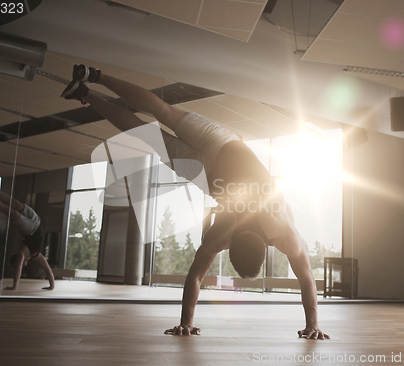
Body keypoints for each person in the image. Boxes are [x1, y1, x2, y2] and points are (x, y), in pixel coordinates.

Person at [61, 65, 329, 340]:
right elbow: (304, 277)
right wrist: (185, 323)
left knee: (163, 111)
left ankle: (95, 76)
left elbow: (305, 277)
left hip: (223, 146)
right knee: (146, 135)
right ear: (231, 249)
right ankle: (86, 94)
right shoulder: (226, 234)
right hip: (206, 174)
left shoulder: (269, 228)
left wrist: (186, 322)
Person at [0, 178, 55, 291]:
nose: (22, 264)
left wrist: (15, 286)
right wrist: (52, 285)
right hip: (36, 222)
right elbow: (47, 268)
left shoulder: (21, 253)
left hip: (30, 229)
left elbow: (18, 268)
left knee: (10, 209)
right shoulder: (36, 255)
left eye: (19, 263)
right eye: (23, 264)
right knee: (14, 206)